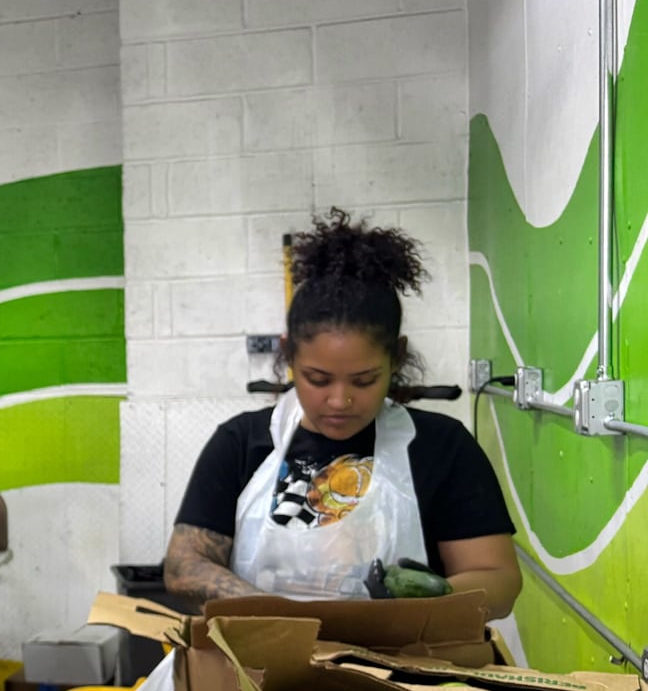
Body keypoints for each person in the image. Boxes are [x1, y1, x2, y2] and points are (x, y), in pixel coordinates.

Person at [164, 209, 521, 616]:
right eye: (318, 379)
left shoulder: (442, 447)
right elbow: (183, 566)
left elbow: (499, 579)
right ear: (289, 356)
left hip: (395, 670)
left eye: (364, 380)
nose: (339, 400)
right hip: (262, 663)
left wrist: (417, 600)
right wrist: (284, 615)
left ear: (396, 358)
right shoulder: (241, 442)